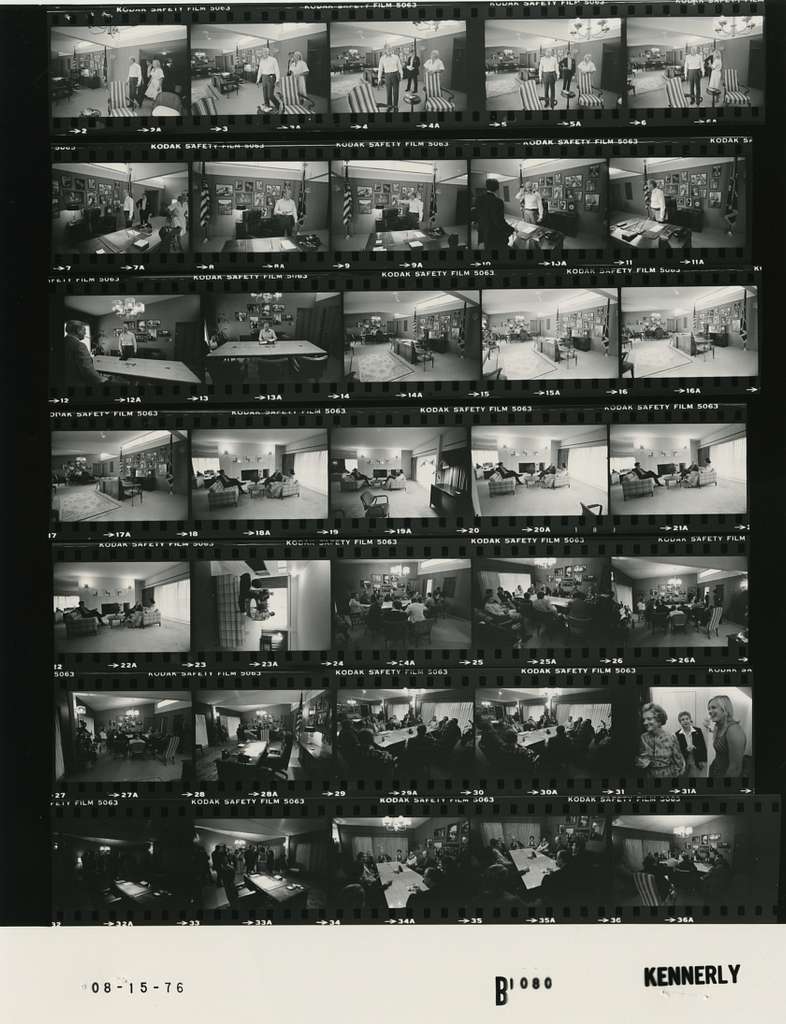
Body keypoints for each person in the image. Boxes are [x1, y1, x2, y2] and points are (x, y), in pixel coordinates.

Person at [636, 703, 686, 778]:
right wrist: (642, 761)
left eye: (649, 719)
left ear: (659, 720)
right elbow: (642, 758)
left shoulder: (671, 737)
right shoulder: (643, 737)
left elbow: (679, 763)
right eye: (644, 720)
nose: (645, 723)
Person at [706, 695, 746, 778]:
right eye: (709, 709)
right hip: (716, 770)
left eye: (713, 707)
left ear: (725, 710)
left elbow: (735, 769)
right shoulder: (718, 726)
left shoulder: (734, 730)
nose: (710, 711)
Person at [472, 178, 514, 251]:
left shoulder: (479, 199)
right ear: (497, 189)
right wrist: (511, 229)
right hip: (494, 234)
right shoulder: (498, 201)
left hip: (483, 232)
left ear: (486, 187)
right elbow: (498, 221)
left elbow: (477, 216)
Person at [62, 321, 104, 386]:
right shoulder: (79, 345)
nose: (85, 333)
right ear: (78, 330)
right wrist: (102, 380)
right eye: (84, 330)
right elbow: (88, 371)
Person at [675, 711, 708, 776]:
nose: (685, 721)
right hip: (683, 763)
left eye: (687, 719)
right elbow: (677, 752)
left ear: (690, 720)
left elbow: (703, 746)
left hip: (695, 761)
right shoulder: (677, 734)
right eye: (682, 719)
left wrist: (703, 760)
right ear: (680, 722)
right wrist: (686, 750)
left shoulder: (698, 731)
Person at [377, 44, 403, 110]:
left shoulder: (396, 57)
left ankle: (395, 106)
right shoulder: (382, 58)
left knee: (396, 92)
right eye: (387, 48)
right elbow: (380, 69)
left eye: (390, 48)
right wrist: (379, 78)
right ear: (385, 50)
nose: (389, 50)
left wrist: (401, 74)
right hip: (387, 76)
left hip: (395, 75)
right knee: (388, 92)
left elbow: (399, 66)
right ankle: (389, 106)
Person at [256, 47, 281, 111]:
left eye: (266, 52)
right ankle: (267, 106)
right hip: (264, 77)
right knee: (265, 95)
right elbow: (260, 70)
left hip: (271, 77)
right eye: (264, 52)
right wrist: (258, 79)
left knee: (270, 95)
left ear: (268, 52)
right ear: (262, 53)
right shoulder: (261, 60)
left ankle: (279, 106)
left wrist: (277, 79)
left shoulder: (273, 59)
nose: (265, 53)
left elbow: (277, 70)